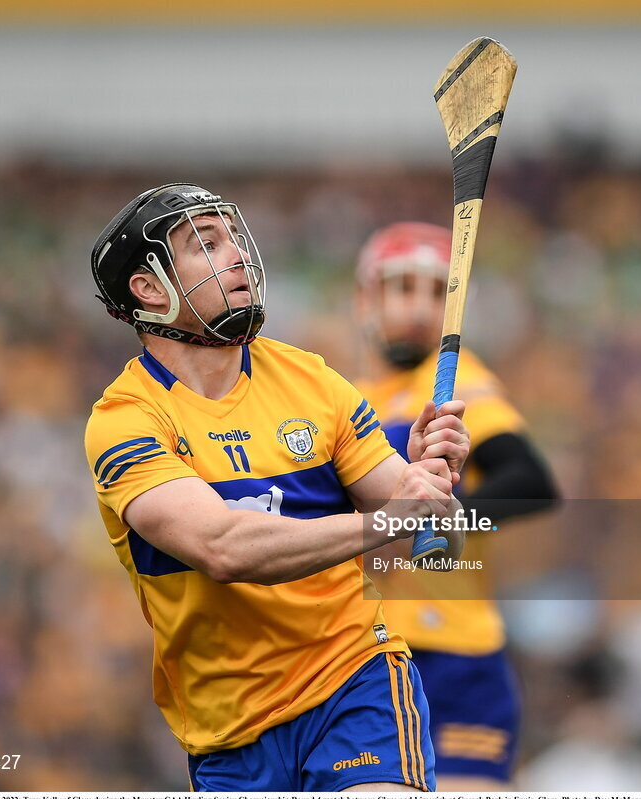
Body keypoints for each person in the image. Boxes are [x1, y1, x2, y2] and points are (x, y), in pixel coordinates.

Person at [83, 184, 472, 792]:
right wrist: (387, 519)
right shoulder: (125, 421)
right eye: (205, 244)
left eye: (233, 236)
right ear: (150, 288)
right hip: (229, 731)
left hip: (355, 680)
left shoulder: (312, 381)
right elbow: (223, 549)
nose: (236, 253)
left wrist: (433, 483)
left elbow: (431, 548)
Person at [353, 221, 559, 789]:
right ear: (364, 298)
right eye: (402, 287)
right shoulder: (345, 402)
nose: (420, 307)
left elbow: (529, 481)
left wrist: (444, 522)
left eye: (437, 291)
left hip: (457, 655)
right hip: (366, 654)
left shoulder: (454, 381)